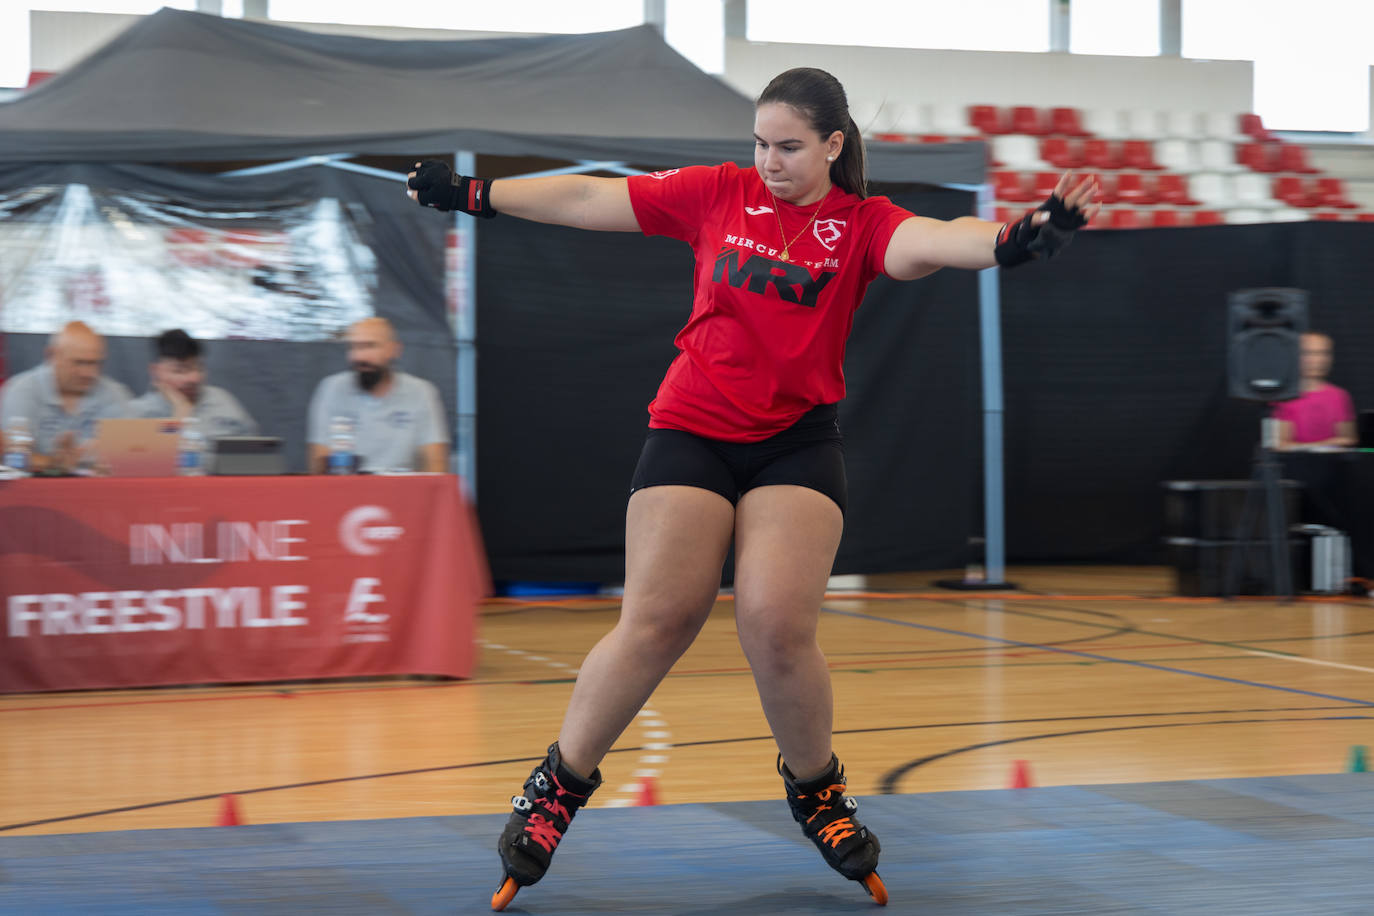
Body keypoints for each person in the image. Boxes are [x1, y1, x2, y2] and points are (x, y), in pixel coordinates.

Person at [407, 67, 1098, 910]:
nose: (769, 161)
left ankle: (816, 789)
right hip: (691, 427)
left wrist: (1015, 238)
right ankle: (557, 786)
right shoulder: (718, 195)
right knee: (659, 618)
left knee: (775, 624)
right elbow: (592, 200)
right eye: (761, 144)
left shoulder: (861, 224)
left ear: (833, 144)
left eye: (790, 146)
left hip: (794, 444)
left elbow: (937, 237)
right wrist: (477, 194)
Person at [306, 317, 449, 473]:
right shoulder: (331, 389)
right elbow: (318, 467)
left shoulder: (422, 393)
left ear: (394, 350)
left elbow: (436, 465)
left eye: (370, 346)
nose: (360, 357)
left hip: (403, 493)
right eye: (354, 347)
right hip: (346, 492)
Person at [0, 321, 131, 473]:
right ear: (52, 355)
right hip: (36, 492)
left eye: (96, 363)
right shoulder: (21, 391)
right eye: (79, 363)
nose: (89, 373)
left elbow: (133, 455)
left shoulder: (115, 394)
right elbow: (11, 456)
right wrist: (55, 463)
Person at [128, 329, 259, 436]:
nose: (194, 378)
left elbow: (254, 449)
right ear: (155, 371)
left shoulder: (222, 400)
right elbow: (158, 459)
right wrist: (181, 411)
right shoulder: (137, 414)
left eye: (199, 368)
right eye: (179, 370)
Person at [1273, 331, 1356, 450]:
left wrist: (1303, 447)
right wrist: (1325, 446)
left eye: (1324, 354)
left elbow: (1348, 442)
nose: (1317, 360)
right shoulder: (1282, 396)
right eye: (1308, 353)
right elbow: (1279, 446)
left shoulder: (1340, 396)